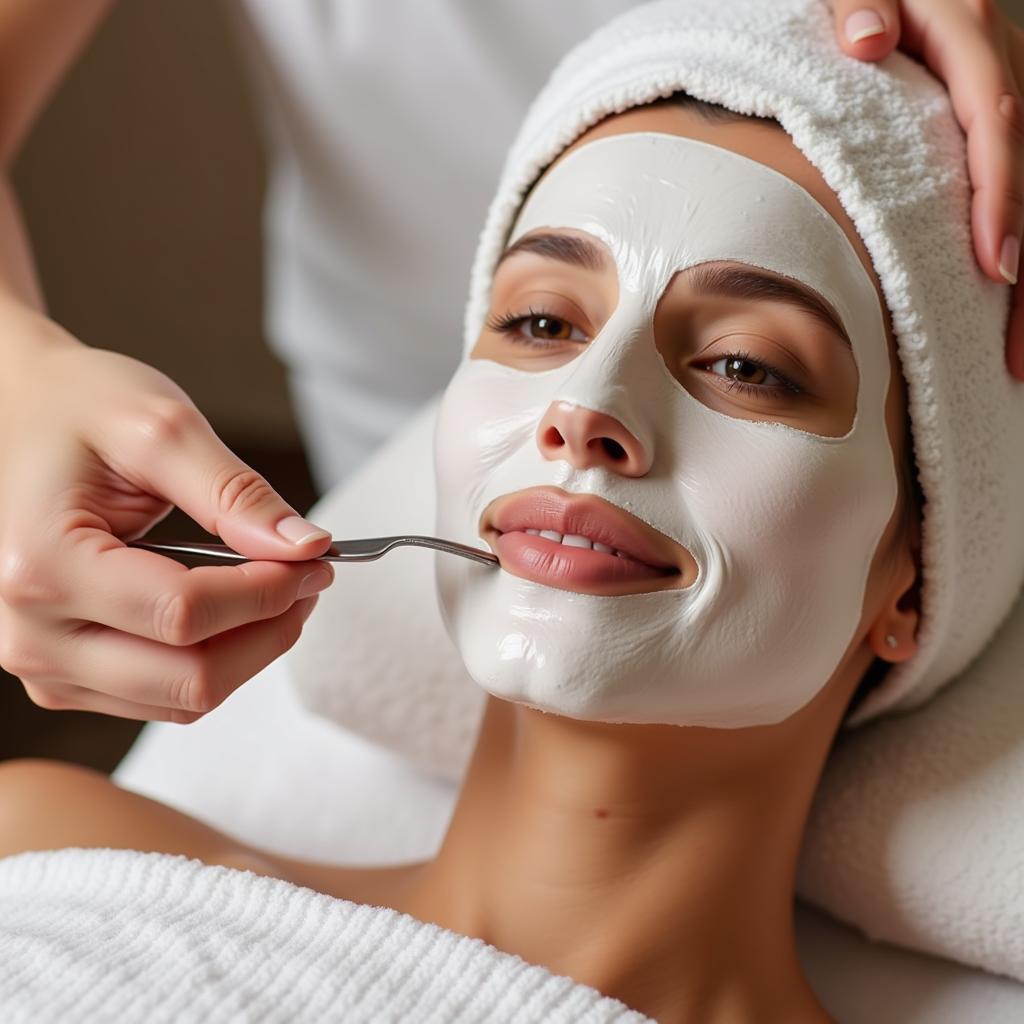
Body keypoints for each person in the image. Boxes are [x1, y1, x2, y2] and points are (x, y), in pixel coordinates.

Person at [2, 0, 1021, 1017]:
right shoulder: (47, 849)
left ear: (911, 577)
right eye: (540, 321)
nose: (584, 410)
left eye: (745, 366)